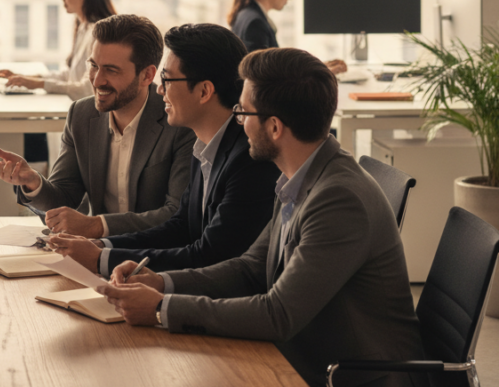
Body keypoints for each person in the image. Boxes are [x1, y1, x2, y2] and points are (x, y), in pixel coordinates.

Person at [97, 48, 425, 387]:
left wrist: (161, 308)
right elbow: (250, 268)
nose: (239, 123)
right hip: (311, 356)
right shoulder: (298, 177)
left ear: (274, 127)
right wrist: (161, 283)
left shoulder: (339, 200)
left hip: (354, 376)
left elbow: (278, 314)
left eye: (242, 112)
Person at [47, 23, 279, 276]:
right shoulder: (204, 145)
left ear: (204, 91)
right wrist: (102, 246)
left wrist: (102, 259)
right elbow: (180, 227)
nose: (159, 89)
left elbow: (209, 255)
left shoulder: (248, 160)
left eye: (167, 80)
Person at [0, 14, 195, 236]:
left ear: (147, 76)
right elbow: (64, 199)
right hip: (95, 250)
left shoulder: (178, 121)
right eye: (94, 66)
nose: (96, 80)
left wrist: (97, 225)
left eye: (111, 70)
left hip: (153, 252)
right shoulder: (81, 115)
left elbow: (177, 215)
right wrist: (34, 183)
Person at [0, 0, 117, 164]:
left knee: (26, 135)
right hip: (77, 116)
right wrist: (28, 78)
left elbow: (87, 89)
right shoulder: (83, 27)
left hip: (91, 124)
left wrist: (39, 84)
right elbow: (71, 75)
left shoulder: (99, 33)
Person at [228, 0, 347, 75]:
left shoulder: (246, 14)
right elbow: (265, 77)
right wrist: (316, 73)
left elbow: (274, 66)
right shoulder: (256, 23)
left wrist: (316, 67)